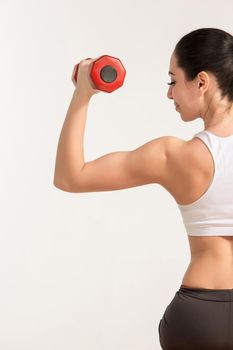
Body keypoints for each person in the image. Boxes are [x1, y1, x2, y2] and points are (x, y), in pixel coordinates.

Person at [53, 27, 233, 349]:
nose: (169, 95)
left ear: (202, 82)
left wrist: (83, 91)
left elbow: (71, 176)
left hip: (200, 317)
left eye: (173, 81)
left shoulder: (175, 156)